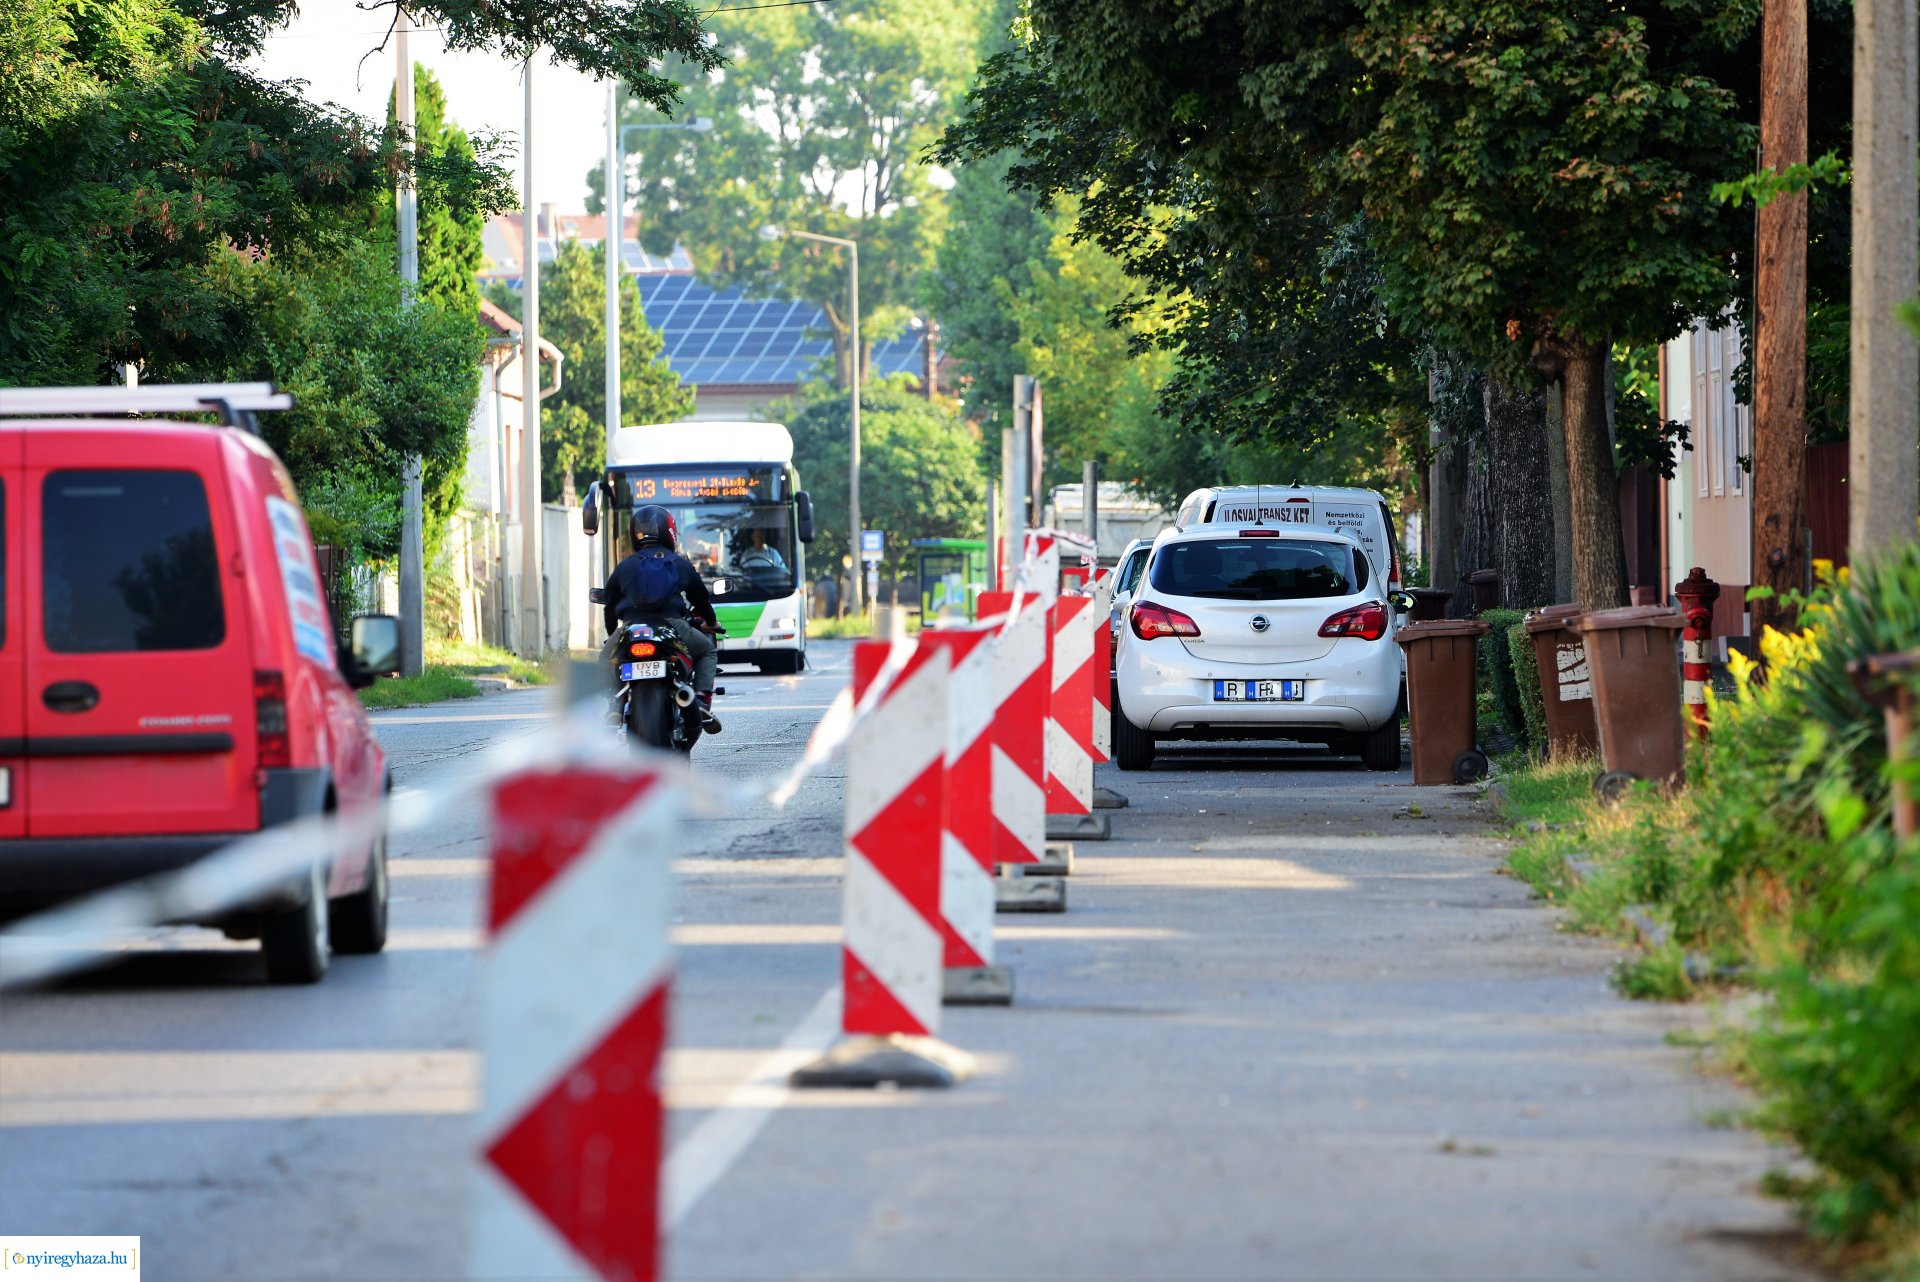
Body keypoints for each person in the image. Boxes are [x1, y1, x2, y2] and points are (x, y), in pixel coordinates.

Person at [603, 505, 722, 732]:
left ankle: (616, 701)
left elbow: (609, 606)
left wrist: (613, 635)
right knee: (707, 650)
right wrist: (712, 622)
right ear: (670, 531)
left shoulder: (625, 566)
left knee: (605, 659)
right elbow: (701, 599)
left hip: (631, 628)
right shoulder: (679, 563)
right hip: (673, 626)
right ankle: (700, 698)